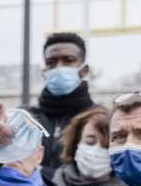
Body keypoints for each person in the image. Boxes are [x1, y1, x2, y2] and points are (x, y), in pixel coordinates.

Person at [24, 32, 102, 177]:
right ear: (44, 71)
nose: (59, 68)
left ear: (84, 70)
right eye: (51, 62)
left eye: (68, 61)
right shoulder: (26, 117)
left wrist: (39, 172)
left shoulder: (100, 119)